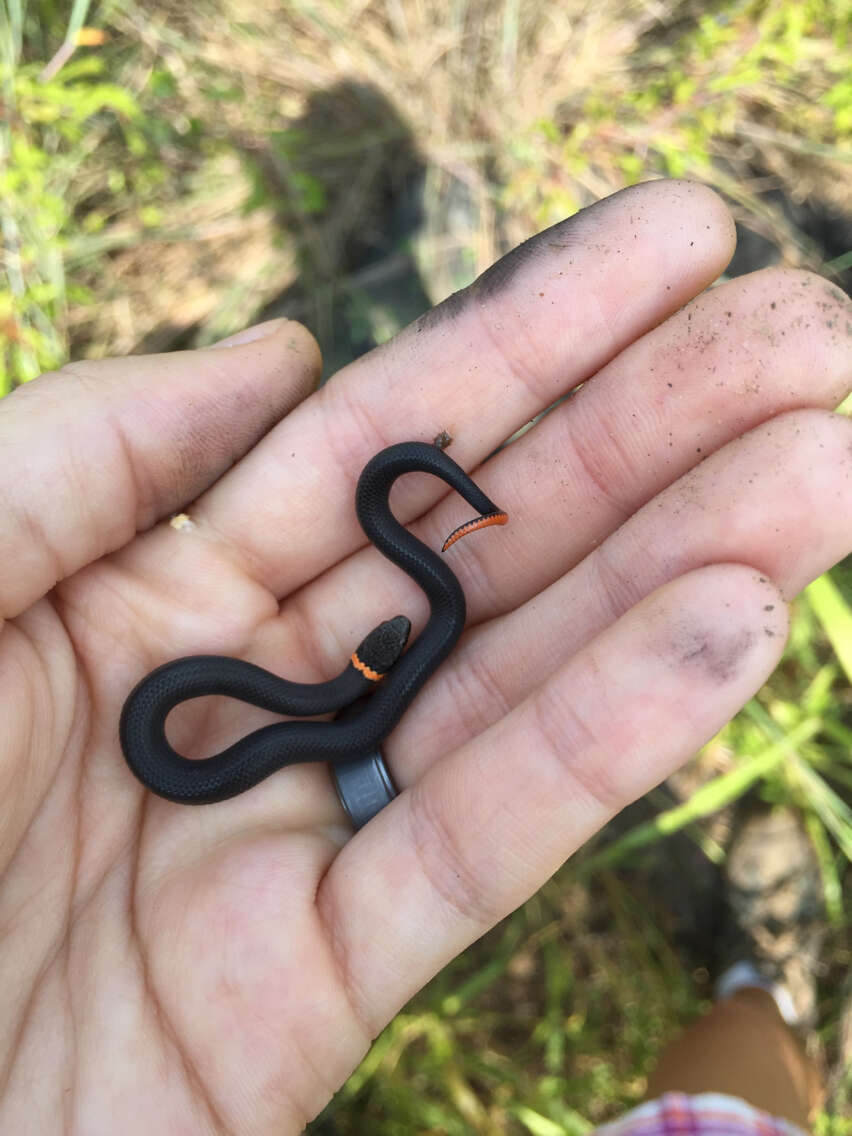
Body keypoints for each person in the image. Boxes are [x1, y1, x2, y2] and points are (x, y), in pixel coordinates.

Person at [0, 179, 848, 1134]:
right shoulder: (339, 685)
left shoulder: (344, 683)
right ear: (373, 661)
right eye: (385, 653)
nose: (394, 641)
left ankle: (758, 1002)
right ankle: (766, 997)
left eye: (382, 652)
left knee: (422, 617)